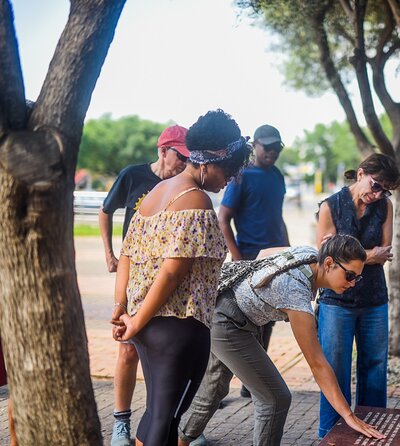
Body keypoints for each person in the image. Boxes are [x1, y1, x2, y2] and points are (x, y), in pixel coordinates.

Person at [111, 109, 252, 446]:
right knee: (164, 421)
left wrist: (124, 311)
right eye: (229, 170)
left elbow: (128, 255)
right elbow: (173, 272)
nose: (229, 179)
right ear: (207, 163)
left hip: (149, 329)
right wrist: (134, 321)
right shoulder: (196, 200)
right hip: (180, 329)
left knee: (156, 416)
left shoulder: (155, 196)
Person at [177, 235, 385, 446]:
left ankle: (181, 439)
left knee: (216, 387)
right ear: (329, 263)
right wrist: (348, 416)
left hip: (227, 309)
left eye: (357, 278)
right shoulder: (295, 293)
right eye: (349, 275)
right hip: (227, 322)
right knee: (275, 398)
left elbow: (264, 254)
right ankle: (182, 438)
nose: (352, 283)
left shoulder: (309, 254)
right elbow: (317, 364)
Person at [100, 125, 190, 446]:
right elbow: (105, 210)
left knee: (165, 353)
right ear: (162, 150)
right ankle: (121, 423)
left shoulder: (184, 186)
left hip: (166, 278)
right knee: (128, 350)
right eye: (180, 156)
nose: (183, 163)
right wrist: (110, 253)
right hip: (134, 274)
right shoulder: (133, 176)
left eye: (188, 158)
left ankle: (166, 420)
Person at [315, 153, 400, 438]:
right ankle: (330, 434)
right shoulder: (330, 206)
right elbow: (326, 257)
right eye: (375, 185)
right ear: (361, 173)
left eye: (384, 190)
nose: (377, 194)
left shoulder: (385, 206)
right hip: (336, 300)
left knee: (375, 369)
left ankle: (374, 429)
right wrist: (368, 254)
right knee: (335, 370)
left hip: (374, 298)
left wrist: (355, 255)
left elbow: (385, 251)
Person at [218, 124, 289, 397]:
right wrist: (237, 259)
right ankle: (224, 385)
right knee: (244, 318)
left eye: (276, 147)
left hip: (275, 257)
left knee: (269, 317)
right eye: (266, 146)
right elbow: (224, 220)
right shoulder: (242, 176)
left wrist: (287, 250)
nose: (272, 152)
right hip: (247, 258)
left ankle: (253, 382)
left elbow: (277, 216)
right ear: (255, 147)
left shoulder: (278, 177)